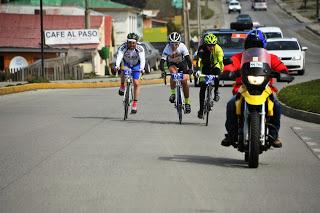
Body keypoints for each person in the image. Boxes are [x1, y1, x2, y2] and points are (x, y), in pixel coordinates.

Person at [222, 29, 288, 148]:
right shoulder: (239, 57)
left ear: (263, 45)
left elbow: (280, 66)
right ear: (246, 45)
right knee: (231, 105)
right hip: (244, 88)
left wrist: (282, 72)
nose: (254, 47)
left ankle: (274, 136)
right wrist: (228, 72)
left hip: (265, 89)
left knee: (276, 106)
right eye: (252, 45)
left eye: (257, 45)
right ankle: (231, 134)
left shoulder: (271, 57)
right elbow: (230, 66)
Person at [160, 32, 193, 114]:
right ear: (169, 43)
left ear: (179, 43)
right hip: (172, 64)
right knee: (173, 73)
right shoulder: (167, 48)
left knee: (184, 82)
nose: (174, 46)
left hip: (182, 64)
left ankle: (187, 102)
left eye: (176, 44)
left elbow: (188, 59)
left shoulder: (182, 46)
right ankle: (173, 94)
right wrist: (162, 71)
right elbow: (162, 61)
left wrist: (190, 69)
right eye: (172, 44)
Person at [114, 33, 145, 114]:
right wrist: (117, 65)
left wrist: (142, 68)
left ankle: (134, 104)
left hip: (136, 65)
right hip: (126, 63)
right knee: (123, 70)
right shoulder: (123, 47)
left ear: (136, 43)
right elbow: (119, 57)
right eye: (130, 42)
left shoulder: (140, 48)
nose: (131, 45)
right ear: (127, 42)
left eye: (133, 43)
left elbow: (142, 59)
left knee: (136, 83)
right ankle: (122, 85)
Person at [195, 33, 224, 119]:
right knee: (203, 87)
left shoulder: (218, 49)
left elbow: (220, 62)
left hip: (215, 65)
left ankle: (216, 92)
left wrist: (221, 71)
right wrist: (198, 70)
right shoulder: (202, 49)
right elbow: (199, 60)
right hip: (205, 67)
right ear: (205, 44)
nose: (211, 47)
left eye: (213, 45)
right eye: (209, 45)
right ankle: (201, 110)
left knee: (217, 75)